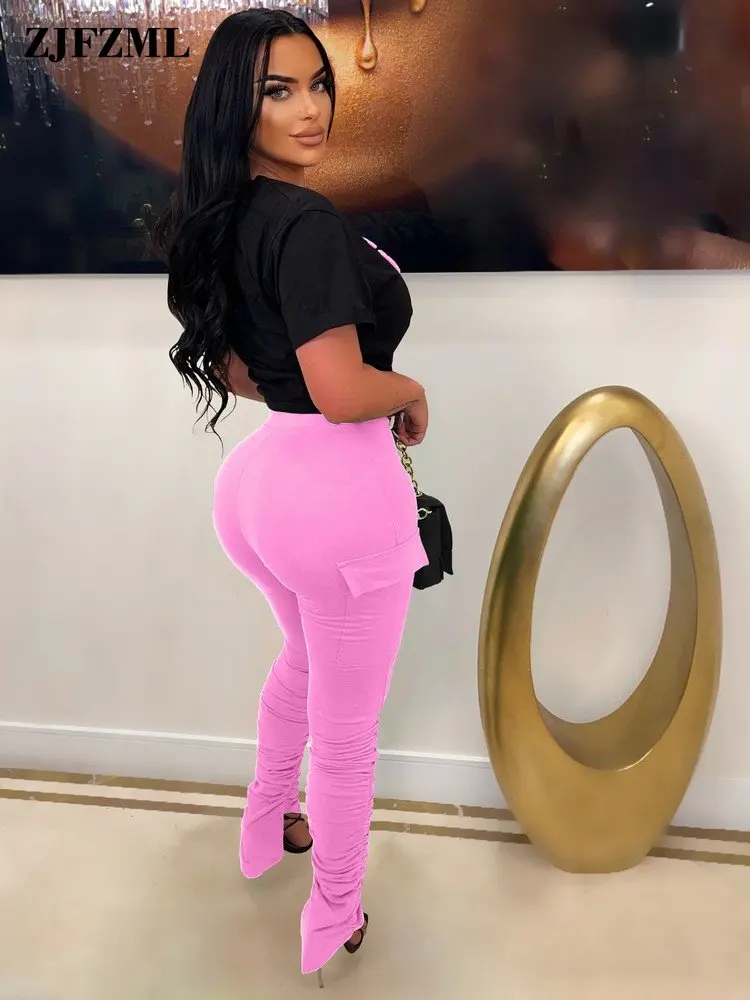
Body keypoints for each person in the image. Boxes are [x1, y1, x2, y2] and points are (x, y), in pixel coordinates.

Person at [152, 7, 430, 986]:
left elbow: (239, 371)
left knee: (303, 664)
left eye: (319, 84)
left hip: (261, 487)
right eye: (279, 90)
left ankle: (269, 821)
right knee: (348, 735)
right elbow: (345, 390)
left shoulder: (225, 216)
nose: (310, 108)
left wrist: (323, 390)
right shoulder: (305, 224)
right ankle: (335, 909)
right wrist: (410, 390)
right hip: (337, 498)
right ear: (238, 104)